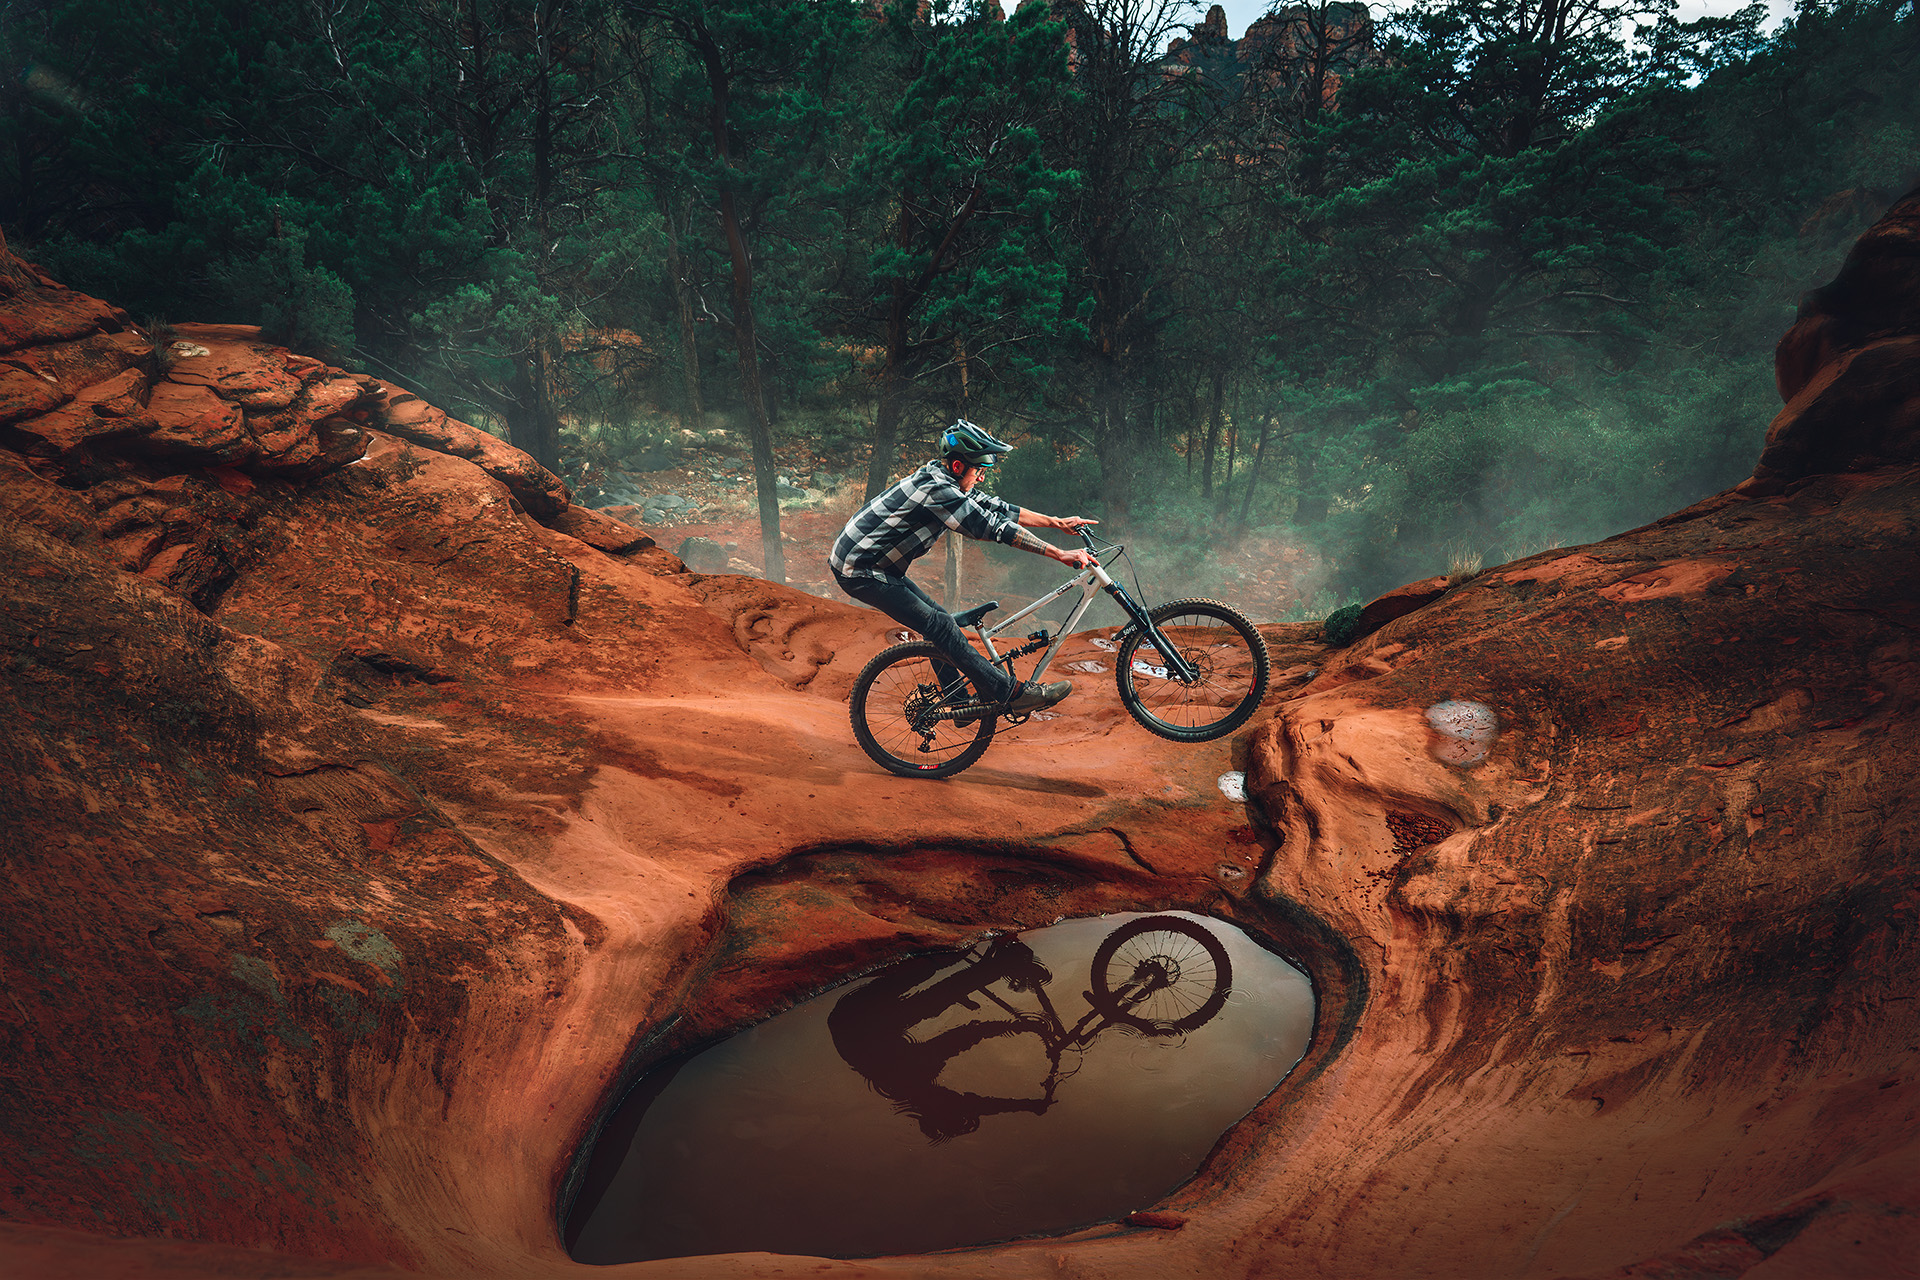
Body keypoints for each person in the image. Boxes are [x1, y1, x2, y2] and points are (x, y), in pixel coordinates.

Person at [830, 420, 1099, 713]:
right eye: (979, 471)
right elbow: (993, 527)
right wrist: (1059, 553)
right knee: (941, 625)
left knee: (940, 621)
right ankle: (1012, 694)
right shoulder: (938, 490)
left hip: (878, 565)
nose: (981, 478)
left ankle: (957, 704)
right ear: (958, 466)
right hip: (860, 569)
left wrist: (1057, 523)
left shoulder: (945, 478)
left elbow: (998, 508)